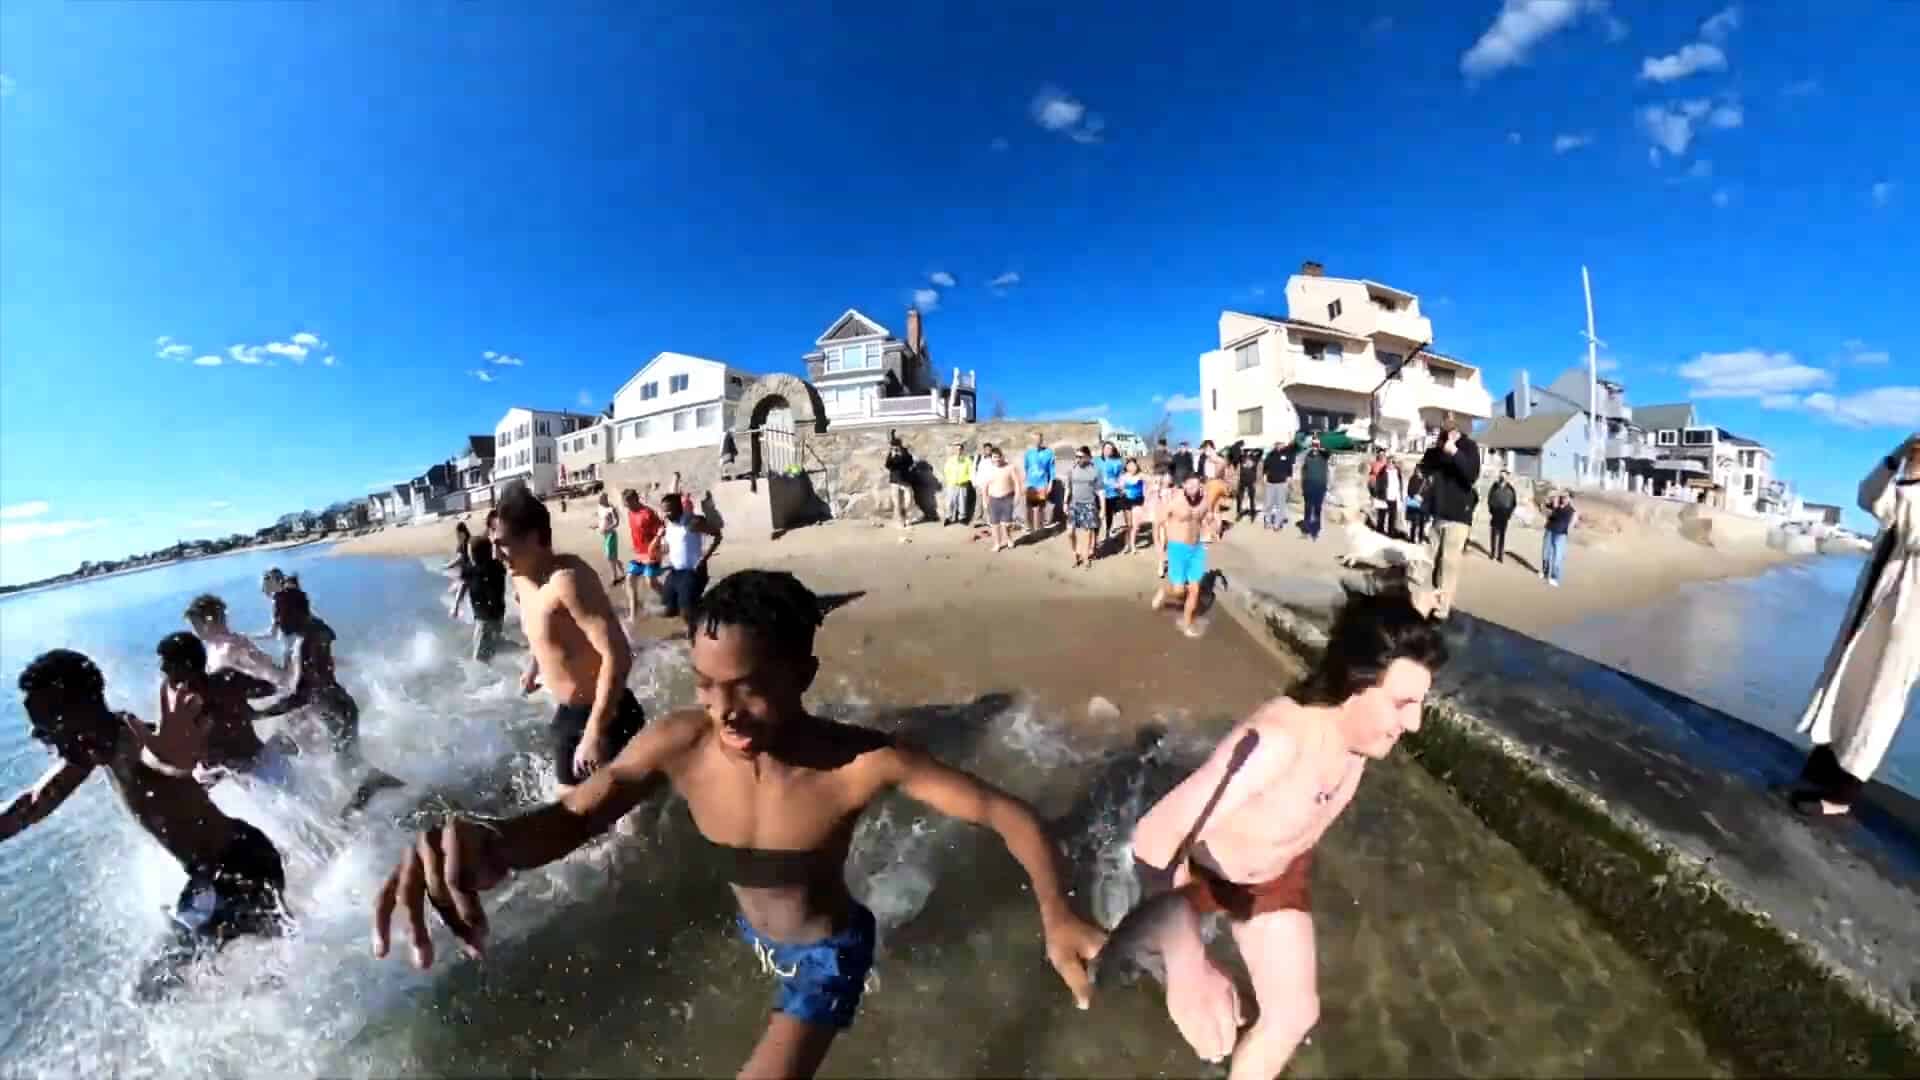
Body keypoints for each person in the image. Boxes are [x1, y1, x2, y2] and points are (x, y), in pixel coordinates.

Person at [370, 570, 1107, 1078]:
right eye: (706, 686)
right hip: (757, 933)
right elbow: (574, 816)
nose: (725, 711)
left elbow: (1003, 812)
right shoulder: (682, 744)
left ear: (803, 677)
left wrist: (1057, 914)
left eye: (749, 690)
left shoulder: (860, 764)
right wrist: (491, 840)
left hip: (825, 956)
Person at [1108, 587, 1447, 1079]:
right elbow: (1155, 836)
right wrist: (1188, 965)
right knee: (1172, 997)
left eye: (1419, 704)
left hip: (1273, 878)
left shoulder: (1361, 736)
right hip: (1195, 876)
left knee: (1293, 1015)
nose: (1413, 724)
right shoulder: (1276, 743)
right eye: (1402, 704)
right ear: (1355, 684)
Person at [2, 650, 289, 1001]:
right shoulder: (94, 751)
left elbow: (169, 756)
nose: (39, 736)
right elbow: (32, 804)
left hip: (238, 867)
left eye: (45, 725)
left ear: (77, 713)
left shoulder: (133, 742)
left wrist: (186, 748)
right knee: (273, 967)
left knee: (151, 986)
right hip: (222, 868)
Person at [1791, 435, 1920, 818]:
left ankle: (1844, 792)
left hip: (1909, 616)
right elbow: (1869, 498)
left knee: (1881, 696)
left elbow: (1915, 533)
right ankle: (1825, 761)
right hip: (1874, 601)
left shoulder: (1915, 490)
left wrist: (1913, 474)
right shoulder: (1910, 484)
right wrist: (1897, 455)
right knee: (1847, 679)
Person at [492, 484, 646, 793]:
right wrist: (534, 668)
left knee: (626, 820)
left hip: (606, 715)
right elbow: (542, 630)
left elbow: (618, 655)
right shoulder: (520, 577)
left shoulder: (568, 580)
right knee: (573, 818)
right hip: (568, 714)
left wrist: (594, 733)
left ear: (534, 538)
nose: (497, 555)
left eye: (503, 544)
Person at [259, 585, 404, 811]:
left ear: (297, 611)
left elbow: (302, 694)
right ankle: (377, 794)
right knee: (348, 764)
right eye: (275, 612)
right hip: (335, 707)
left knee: (346, 768)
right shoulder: (312, 629)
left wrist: (259, 714)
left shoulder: (306, 641)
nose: (276, 619)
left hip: (337, 710)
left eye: (280, 612)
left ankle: (362, 807)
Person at [156, 631, 297, 787]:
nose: (163, 668)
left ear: (186, 663)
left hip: (261, 771)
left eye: (168, 662)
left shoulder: (224, 682)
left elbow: (271, 689)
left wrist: (255, 712)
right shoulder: (225, 681)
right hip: (245, 776)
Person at [1418, 413, 1482, 619]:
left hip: (1458, 516)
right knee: (1430, 558)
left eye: (1450, 421)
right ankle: (1426, 599)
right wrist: (1436, 450)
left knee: (1449, 562)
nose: (1446, 425)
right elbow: (1425, 466)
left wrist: (1454, 452)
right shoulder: (1439, 448)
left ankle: (1443, 607)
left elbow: (1471, 474)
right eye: (1444, 421)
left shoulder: (1469, 447)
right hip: (1438, 513)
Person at [185, 593, 291, 693]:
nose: (193, 630)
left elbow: (268, 673)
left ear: (209, 622)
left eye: (195, 624)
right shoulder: (219, 646)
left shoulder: (230, 647)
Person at [1152, 475, 1216, 638]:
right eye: (1189, 485)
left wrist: (1210, 525)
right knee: (1179, 591)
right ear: (1184, 485)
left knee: (1194, 590)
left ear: (1200, 485)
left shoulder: (1204, 500)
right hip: (1177, 548)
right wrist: (1159, 546)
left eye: (1196, 485)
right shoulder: (1175, 501)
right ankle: (1164, 590)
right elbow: (1157, 523)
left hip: (1196, 548)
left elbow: (1207, 517)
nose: (1193, 489)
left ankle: (1187, 625)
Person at [657, 491, 724, 640]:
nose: (666, 514)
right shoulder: (669, 526)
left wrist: (704, 558)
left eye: (669, 510)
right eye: (664, 510)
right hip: (675, 571)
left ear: (679, 508)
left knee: (686, 611)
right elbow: (669, 547)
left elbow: (718, 535)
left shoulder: (692, 523)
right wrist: (661, 551)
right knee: (669, 609)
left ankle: (694, 632)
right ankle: (702, 610)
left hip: (692, 572)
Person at [465, 536, 511, 661]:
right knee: (493, 644)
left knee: (480, 656)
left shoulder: (492, 568)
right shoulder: (474, 568)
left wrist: (496, 546)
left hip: (488, 617)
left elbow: (502, 560)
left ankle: (486, 675)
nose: (469, 556)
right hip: (486, 616)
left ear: (479, 555)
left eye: (471, 553)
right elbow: (465, 583)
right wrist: (457, 604)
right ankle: (525, 651)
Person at [623, 488, 666, 618]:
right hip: (639, 554)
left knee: (651, 582)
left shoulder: (647, 513)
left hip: (651, 553)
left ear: (635, 500)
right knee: (629, 579)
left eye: (627, 503)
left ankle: (671, 598)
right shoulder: (630, 513)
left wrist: (657, 550)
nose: (626, 506)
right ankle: (633, 614)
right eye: (624, 504)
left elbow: (661, 529)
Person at [977, 446, 1020, 553]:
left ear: (1002, 457)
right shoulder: (988, 470)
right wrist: (984, 501)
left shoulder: (1010, 467)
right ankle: (997, 543)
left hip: (1007, 498)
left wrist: (1017, 497)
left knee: (1007, 524)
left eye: (998, 457)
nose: (996, 459)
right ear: (991, 458)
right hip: (993, 500)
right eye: (994, 457)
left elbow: (1017, 483)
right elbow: (984, 487)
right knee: (994, 524)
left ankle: (1009, 538)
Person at [1065, 446, 1102, 569]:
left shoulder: (1095, 471)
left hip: (1089, 504)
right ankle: (1075, 553)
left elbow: (1100, 491)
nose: (1077, 459)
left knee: (1087, 533)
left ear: (1087, 457)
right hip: (1074, 504)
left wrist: (1102, 509)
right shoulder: (1072, 470)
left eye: (1080, 456)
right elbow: (1068, 488)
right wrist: (1065, 502)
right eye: (1076, 456)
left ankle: (1086, 557)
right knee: (1070, 532)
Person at [1023, 431, 1057, 534]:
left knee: (1040, 507)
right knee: (1029, 507)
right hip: (1030, 484)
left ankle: (1039, 528)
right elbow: (1026, 468)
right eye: (1034, 439)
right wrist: (1025, 483)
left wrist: (1050, 483)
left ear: (1041, 440)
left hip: (1042, 484)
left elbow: (1052, 470)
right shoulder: (1028, 453)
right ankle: (1029, 527)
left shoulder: (1049, 453)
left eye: (1039, 439)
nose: (1036, 441)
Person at [1540, 491, 1577, 587]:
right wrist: (1547, 500)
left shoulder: (1570, 510)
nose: (1563, 499)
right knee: (1545, 553)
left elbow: (1560, 518)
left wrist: (1555, 508)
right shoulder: (1555, 505)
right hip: (1549, 530)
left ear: (1569, 499)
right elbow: (1543, 507)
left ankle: (1554, 578)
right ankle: (1545, 572)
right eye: (1562, 497)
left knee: (1557, 556)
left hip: (1560, 534)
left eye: (1565, 497)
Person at [1096, 442, 1127, 552]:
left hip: (1112, 493)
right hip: (1098, 492)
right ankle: (1096, 536)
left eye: (1110, 449)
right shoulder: (1097, 461)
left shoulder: (1117, 462)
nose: (1108, 450)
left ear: (1113, 451)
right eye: (1106, 448)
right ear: (1103, 449)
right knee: (1098, 514)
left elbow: (1121, 476)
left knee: (1109, 513)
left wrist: (1120, 486)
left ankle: (1108, 533)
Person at [884, 432, 916, 531]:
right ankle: (899, 521)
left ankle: (908, 519)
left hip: (905, 480)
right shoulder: (891, 454)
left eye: (897, 446)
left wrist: (902, 454)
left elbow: (910, 462)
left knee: (908, 501)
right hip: (895, 480)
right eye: (894, 447)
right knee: (897, 503)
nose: (895, 448)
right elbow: (888, 466)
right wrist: (892, 456)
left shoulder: (905, 453)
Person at [1299, 438, 1330, 541]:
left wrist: (1320, 447)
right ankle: (1306, 531)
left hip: (1320, 486)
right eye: (1313, 444)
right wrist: (1302, 486)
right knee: (1307, 509)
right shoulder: (1307, 456)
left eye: (1316, 445)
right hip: (1308, 486)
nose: (1315, 446)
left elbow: (1328, 452)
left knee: (1317, 509)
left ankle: (1315, 532)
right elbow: (1303, 471)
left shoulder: (1324, 456)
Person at [1261, 439, 1294, 532]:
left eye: (1282, 443)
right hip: (1270, 483)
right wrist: (1264, 476)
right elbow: (1265, 466)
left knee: (1280, 504)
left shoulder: (1287, 454)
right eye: (1278, 444)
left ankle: (1277, 524)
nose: (1280, 445)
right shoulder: (1270, 454)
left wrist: (1289, 477)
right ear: (1275, 445)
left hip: (1282, 483)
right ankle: (1267, 522)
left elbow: (1289, 467)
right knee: (1268, 504)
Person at [1486, 470, 1517, 562]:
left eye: (1504, 475)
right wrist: (1491, 509)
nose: (1502, 476)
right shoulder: (1494, 486)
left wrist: (1509, 513)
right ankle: (1493, 552)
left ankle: (1500, 555)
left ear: (1507, 477)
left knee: (1502, 535)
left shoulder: (1511, 489)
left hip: (1504, 514)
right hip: (1495, 512)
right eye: (1501, 474)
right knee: (1493, 534)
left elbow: (1514, 503)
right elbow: (1489, 498)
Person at [444, 522, 474, 618]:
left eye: (457, 533)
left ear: (462, 532)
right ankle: (461, 610)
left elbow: (460, 558)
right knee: (455, 590)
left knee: (461, 589)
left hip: (468, 572)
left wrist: (449, 565)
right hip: (466, 571)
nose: (457, 536)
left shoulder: (466, 543)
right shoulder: (467, 541)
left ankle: (456, 610)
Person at [595, 492, 624, 589]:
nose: (598, 500)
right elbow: (601, 520)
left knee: (609, 557)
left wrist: (608, 528)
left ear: (605, 498)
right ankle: (621, 568)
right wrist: (596, 526)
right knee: (612, 557)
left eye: (600, 498)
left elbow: (617, 522)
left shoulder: (611, 509)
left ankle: (614, 578)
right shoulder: (600, 508)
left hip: (611, 535)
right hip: (605, 536)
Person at [942, 442, 973, 526]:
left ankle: (962, 518)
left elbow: (971, 471)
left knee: (962, 502)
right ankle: (949, 517)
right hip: (952, 484)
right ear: (954, 450)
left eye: (960, 449)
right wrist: (949, 480)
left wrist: (966, 480)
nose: (958, 450)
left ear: (962, 450)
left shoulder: (967, 460)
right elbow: (946, 471)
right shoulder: (950, 460)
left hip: (963, 484)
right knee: (950, 502)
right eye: (956, 449)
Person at [1235, 445, 1261, 522]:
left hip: (1251, 481)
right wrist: (1242, 450)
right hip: (1242, 481)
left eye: (1247, 451)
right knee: (1239, 498)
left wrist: (1253, 450)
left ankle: (1252, 513)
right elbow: (1235, 453)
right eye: (1245, 451)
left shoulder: (1255, 458)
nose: (1247, 452)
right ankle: (1239, 513)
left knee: (1252, 498)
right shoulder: (1241, 457)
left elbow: (1260, 451)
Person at [1404, 469, 1429, 545]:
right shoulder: (1412, 478)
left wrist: (1423, 497)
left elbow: (1429, 491)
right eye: (1417, 471)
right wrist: (1414, 496)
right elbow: (1409, 490)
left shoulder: (1427, 480)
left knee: (1422, 522)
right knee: (1414, 522)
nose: (1419, 473)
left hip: (1424, 504)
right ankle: (1412, 538)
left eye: (1420, 471)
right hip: (1414, 504)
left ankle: (1421, 538)